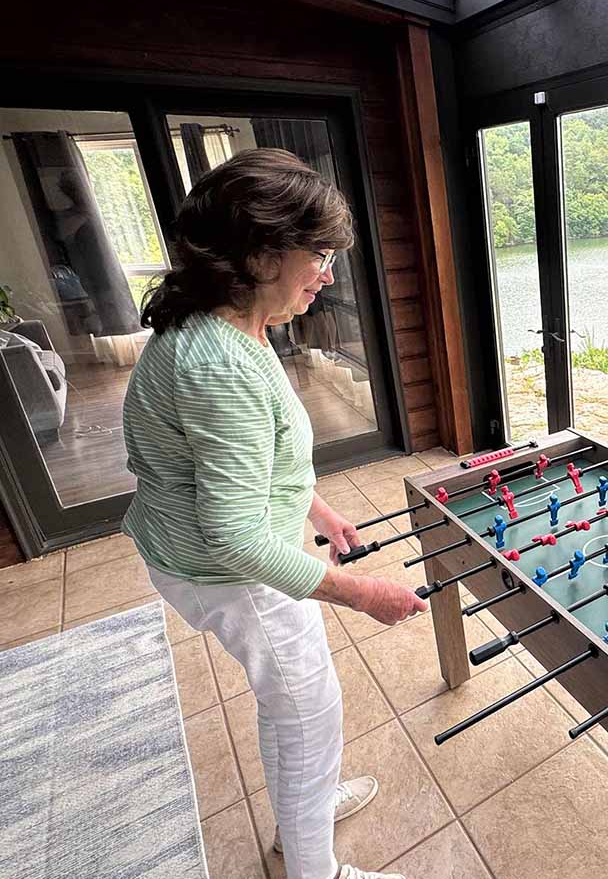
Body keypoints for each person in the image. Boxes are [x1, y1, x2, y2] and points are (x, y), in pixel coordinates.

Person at [122, 148, 425, 879]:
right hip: (227, 569)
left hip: (210, 546)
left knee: (294, 708)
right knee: (306, 712)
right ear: (260, 254)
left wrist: (314, 506)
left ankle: (303, 818)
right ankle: (310, 866)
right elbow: (234, 536)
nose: (328, 272)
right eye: (317, 253)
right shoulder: (218, 362)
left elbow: (245, 460)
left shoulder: (231, 327)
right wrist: (360, 593)